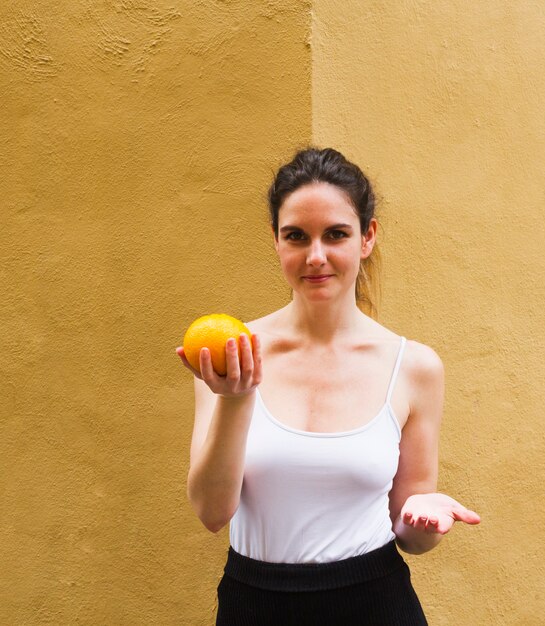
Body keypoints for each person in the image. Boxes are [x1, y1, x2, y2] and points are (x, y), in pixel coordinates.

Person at [176, 147, 481, 625]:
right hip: (255, 604)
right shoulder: (231, 356)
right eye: (296, 236)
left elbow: (410, 533)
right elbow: (212, 513)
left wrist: (423, 518)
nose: (315, 256)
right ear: (276, 242)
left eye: (336, 234)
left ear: (367, 237)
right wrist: (236, 399)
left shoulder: (414, 367)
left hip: (374, 603)